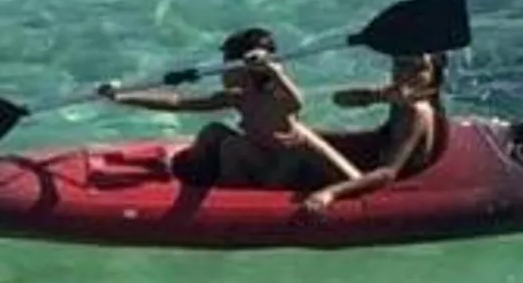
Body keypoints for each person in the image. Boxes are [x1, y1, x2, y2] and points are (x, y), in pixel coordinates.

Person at [98, 28, 361, 189]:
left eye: (226, 65)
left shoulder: (275, 98)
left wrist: (274, 70)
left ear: (246, 71)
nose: (221, 71)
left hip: (284, 169)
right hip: (260, 159)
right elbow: (178, 103)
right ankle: (190, 181)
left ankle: (225, 199)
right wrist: (122, 97)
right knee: (213, 132)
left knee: (235, 148)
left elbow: (296, 102)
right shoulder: (238, 96)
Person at [300, 52, 448, 214]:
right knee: (301, 136)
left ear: (433, 74)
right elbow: (339, 99)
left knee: (300, 146)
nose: (405, 72)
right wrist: (378, 96)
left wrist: (330, 193)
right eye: (400, 64)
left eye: (418, 68)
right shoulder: (405, 99)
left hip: (378, 177)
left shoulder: (416, 112)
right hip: (375, 159)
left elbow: (388, 173)